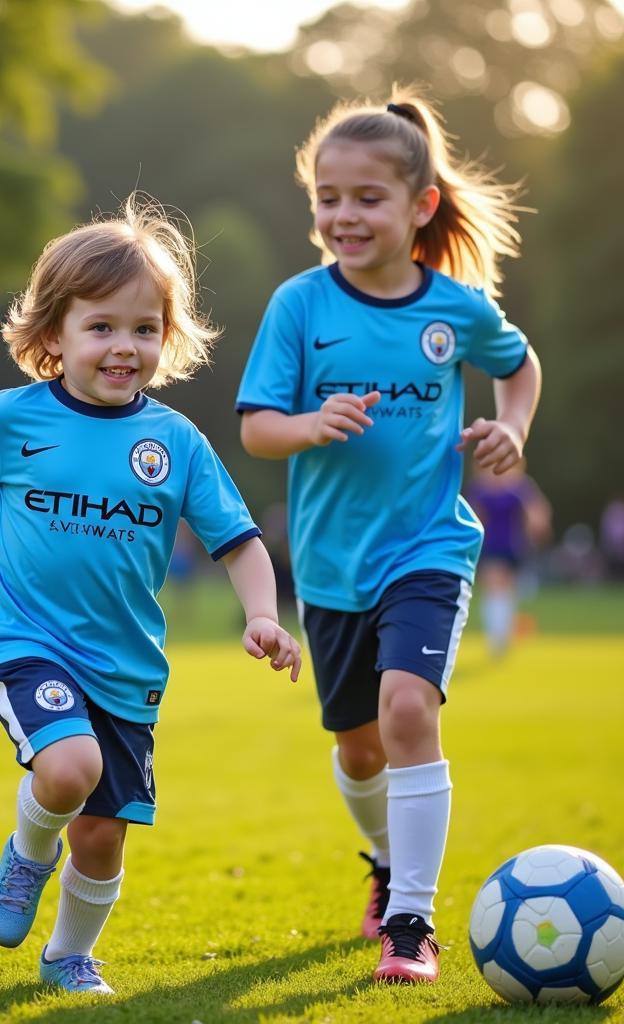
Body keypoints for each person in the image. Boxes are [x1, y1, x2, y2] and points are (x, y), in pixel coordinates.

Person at [0, 195, 302, 994]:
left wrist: (262, 615)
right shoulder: (12, 419)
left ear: (168, 335)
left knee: (101, 838)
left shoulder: (176, 443)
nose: (124, 346)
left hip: (127, 669)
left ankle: (68, 956)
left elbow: (239, 542)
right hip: (25, 640)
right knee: (68, 768)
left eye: (144, 328)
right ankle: (26, 854)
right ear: (54, 335)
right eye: (101, 327)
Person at [236, 89, 541, 984]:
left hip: (427, 548)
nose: (342, 215)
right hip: (331, 568)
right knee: (359, 745)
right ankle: (382, 864)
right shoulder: (300, 306)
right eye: (327, 197)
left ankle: (412, 921)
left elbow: (517, 368)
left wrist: (510, 427)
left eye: (366, 197)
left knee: (411, 711)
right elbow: (256, 427)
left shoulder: (455, 310)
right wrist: (310, 422)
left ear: (420, 207)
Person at [463, 461, 552, 656]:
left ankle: (501, 636)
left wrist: (535, 532)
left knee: (505, 591)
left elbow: (537, 513)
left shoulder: (519, 486)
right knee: (495, 587)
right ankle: (497, 639)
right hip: (490, 546)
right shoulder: (480, 488)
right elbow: (472, 515)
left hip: (513, 547)